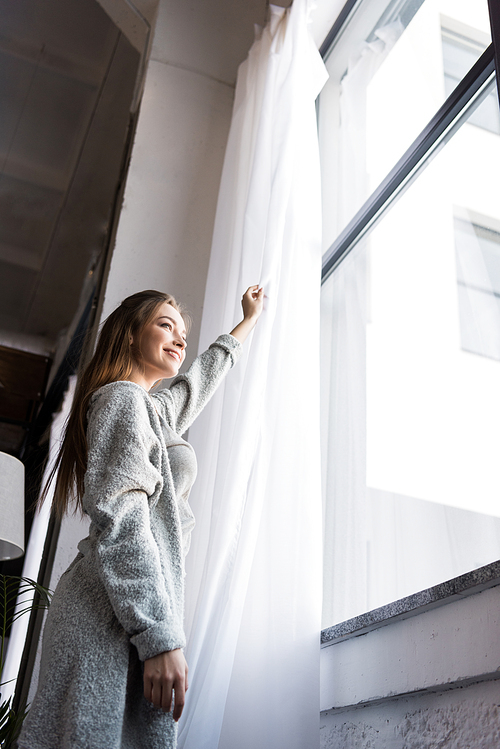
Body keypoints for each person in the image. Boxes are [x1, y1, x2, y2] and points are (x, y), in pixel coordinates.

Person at [18, 285, 264, 749]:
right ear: (130, 335)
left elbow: (196, 383)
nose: (179, 338)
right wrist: (159, 637)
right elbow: (123, 520)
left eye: (183, 332)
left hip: (129, 611)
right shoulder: (121, 401)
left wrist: (247, 321)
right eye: (165, 325)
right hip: (109, 615)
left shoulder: (151, 410)